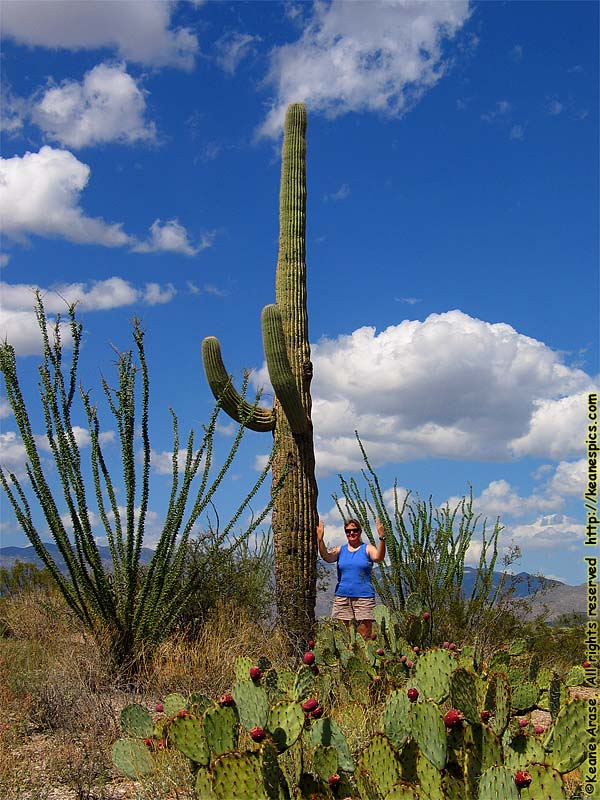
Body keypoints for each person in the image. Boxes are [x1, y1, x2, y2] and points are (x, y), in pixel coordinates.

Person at [316, 516, 386, 640]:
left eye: (354, 530)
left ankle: (364, 659)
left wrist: (381, 538)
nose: (351, 533)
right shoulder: (340, 550)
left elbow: (378, 557)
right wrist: (320, 540)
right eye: (348, 531)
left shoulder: (367, 548)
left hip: (364, 597)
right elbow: (327, 557)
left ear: (360, 531)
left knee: (364, 636)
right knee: (345, 636)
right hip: (343, 596)